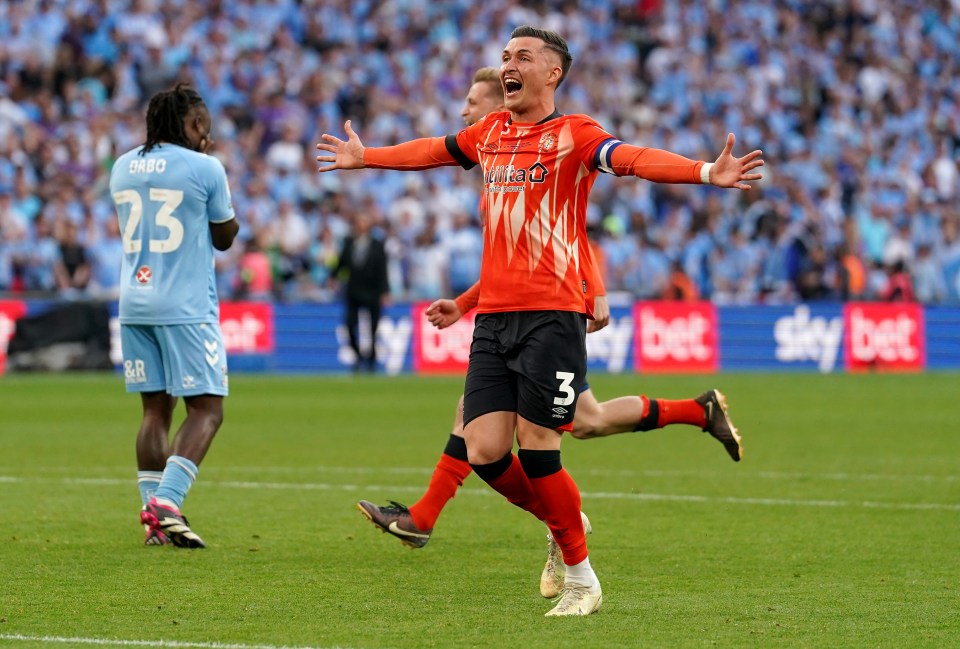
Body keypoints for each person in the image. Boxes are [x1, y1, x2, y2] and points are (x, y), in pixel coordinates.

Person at [317, 27, 762, 616]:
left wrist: (705, 172)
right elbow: (432, 149)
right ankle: (563, 517)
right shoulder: (490, 134)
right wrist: (366, 157)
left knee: (543, 442)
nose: (509, 64)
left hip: (551, 315)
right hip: (496, 317)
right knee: (482, 448)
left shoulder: (574, 134)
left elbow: (633, 160)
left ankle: (581, 578)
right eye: (505, 56)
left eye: (523, 56)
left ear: (552, 73)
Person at [109, 83, 239, 548]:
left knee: (154, 412)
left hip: (134, 302)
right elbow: (225, 236)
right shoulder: (205, 167)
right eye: (202, 122)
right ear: (193, 123)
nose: (206, 130)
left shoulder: (122, 166)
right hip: (184, 305)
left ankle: (153, 521)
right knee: (207, 409)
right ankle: (168, 500)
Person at [330, 211, 390, 372]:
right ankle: (357, 354)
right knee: (349, 325)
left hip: (373, 291)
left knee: (373, 328)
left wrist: (385, 291)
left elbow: (383, 270)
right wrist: (332, 277)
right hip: (353, 290)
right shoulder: (349, 243)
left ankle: (370, 359)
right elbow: (341, 263)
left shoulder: (377, 245)